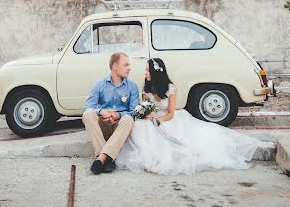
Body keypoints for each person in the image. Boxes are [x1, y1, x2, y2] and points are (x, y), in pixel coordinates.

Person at [116, 57, 274, 175]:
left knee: (171, 134)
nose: (145, 73)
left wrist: (158, 119)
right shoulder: (146, 89)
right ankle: (147, 156)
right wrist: (146, 114)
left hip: (169, 119)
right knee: (139, 126)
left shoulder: (171, 88)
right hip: (152, 119)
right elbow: (144, 108)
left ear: (156, 73)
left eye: (147, 70)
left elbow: (170, 113)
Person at [82, 51, 140, 174]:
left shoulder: (132, 87)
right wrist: (102, 111)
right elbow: (88, 107)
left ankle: (101, 158)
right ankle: (108, 159)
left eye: (129, 65)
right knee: (88, 114)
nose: (129, 68)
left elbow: (134, 112)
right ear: (114, 66)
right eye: (126, 65)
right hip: (103, 125)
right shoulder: (99, 84)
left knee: (129, 118)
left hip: (120, 127)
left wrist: (118, 115)